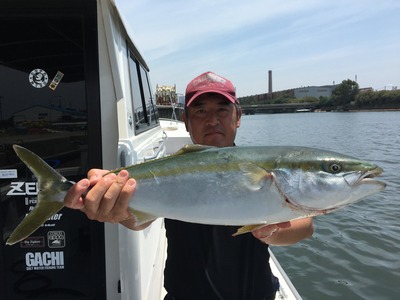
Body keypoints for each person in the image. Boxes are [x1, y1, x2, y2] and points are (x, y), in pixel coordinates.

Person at [64, 71, 314, 300]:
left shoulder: (265, 170)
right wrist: (112, 205)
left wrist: (272, 232)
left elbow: (305, 225)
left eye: (222, 110)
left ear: (238, 117)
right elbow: (138, 220)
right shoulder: (168, 170)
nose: (212, 120)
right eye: (200, 111)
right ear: (185, 120)